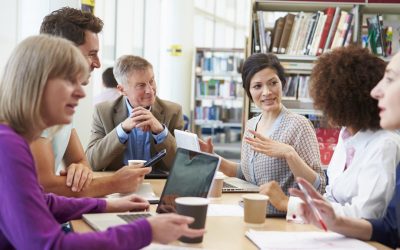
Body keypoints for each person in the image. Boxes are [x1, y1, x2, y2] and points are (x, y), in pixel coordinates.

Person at [0, 34, 204, 249]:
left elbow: (42, 201)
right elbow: (50, 245)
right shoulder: (9, 146)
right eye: (70, 82)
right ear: (37, 83)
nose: (80, 93)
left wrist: (106, 204)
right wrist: (147, 230)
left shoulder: (12, 140)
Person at [265, 46, 400, 220]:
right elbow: (331, 196)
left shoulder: (384, 145)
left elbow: (366, 215)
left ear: (349, 102)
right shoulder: (346, 136)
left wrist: (287, 203)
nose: (327, 111)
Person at [30, 7, 150, 197]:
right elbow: (44, 185)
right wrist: (115, 183)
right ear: (63, 51)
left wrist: (80, 171)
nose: (98, 63)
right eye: (91, 54)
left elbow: (80, 161)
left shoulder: (60, 102)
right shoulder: (34, 102)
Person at [200, 53, 325, 215]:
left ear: (282, 84)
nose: (267, 92)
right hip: (252, 215)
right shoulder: (252, 125)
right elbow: (247, 174)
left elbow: (319, 186)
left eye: (273, 83)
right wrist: (212, 157)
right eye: (257, 86)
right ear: (249, 92)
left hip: (283, 221)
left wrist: (290, 154)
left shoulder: (299, 125)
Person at [86, 55, 184, 171]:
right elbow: (91, 162)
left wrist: (161, 132)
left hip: (158, 185)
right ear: (122, 90)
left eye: (151, 81)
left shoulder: (173, 111)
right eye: (141, 85)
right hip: (117, 185)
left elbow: (181, 165)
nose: (150, 90)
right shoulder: (103, 112)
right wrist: (121, 130)